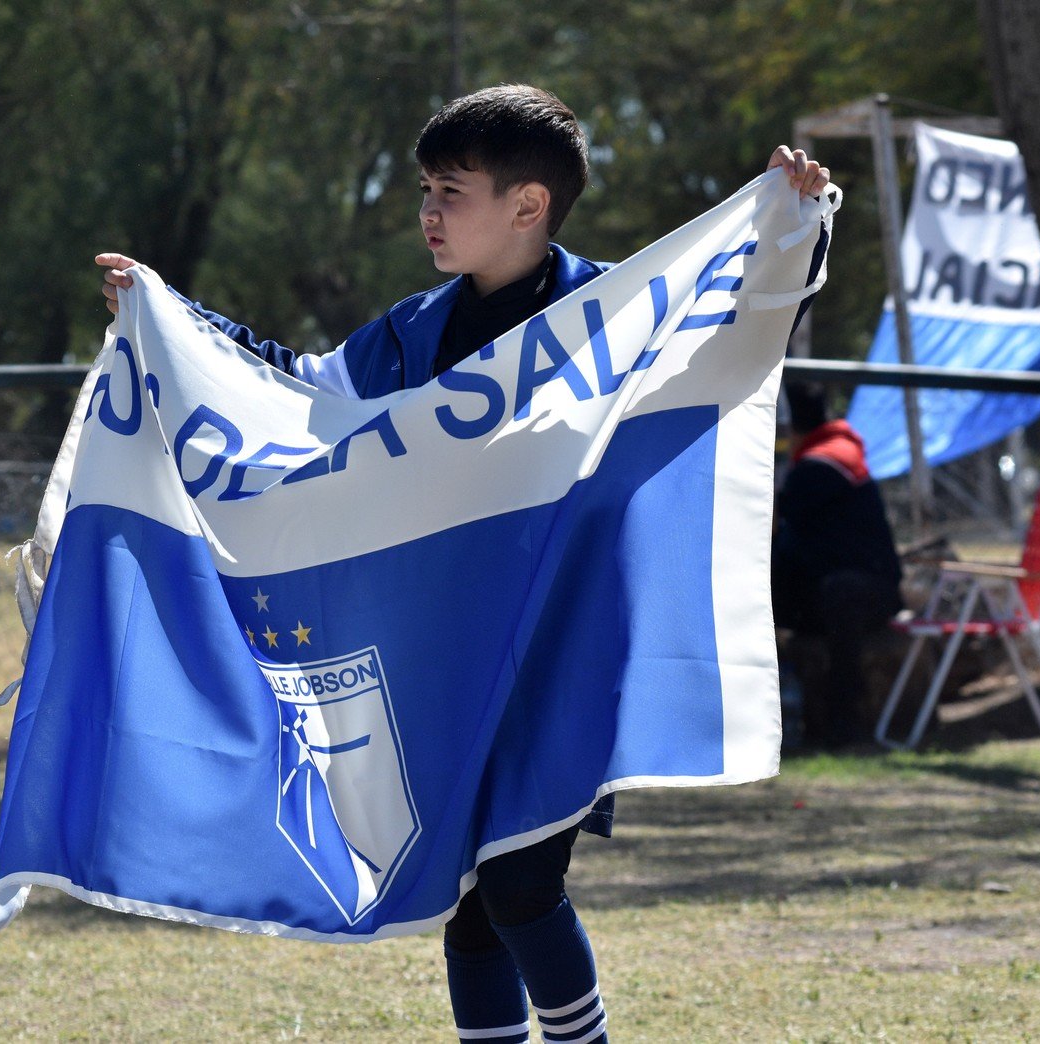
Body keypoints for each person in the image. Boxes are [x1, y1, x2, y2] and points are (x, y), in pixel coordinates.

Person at [97, 84, 830, 1044]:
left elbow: (743, 314)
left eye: (451, 190)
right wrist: (169, 319)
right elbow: (297, 392)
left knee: (525, 884)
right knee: (468, 894)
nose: (427, 212)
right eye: (425, 189)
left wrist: (796, 224)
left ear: (528, 206)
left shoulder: (616, 314)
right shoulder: (409, 332)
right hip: (437, 656)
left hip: (564, 648)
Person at [773, 381, 903, 749]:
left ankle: (844, 724)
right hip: (863, 590)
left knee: (835, 593)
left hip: (860, 597)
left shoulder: (821, 464)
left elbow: (777, 526)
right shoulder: (836, 452)